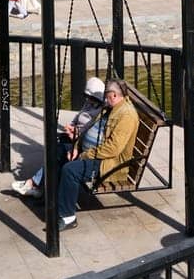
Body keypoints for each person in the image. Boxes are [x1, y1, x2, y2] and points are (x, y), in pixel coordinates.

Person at [56, 79, 140, 228]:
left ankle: (68, 217)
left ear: (114, 95)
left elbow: (113, 149)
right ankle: (51, 194)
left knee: (70, 170)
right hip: (91, 151)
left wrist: (84, 155)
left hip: (106, 162)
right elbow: (88, 127)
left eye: (106, 95)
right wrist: (77, 145)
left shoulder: (126, 115)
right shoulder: (110, 107)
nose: (104, 99)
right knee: (58, 150)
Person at [12, 77, 106, 197]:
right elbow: (78, 117)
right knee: (56, 149)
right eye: (86, 96)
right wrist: (71, 126)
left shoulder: (101, 110)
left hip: (83, 142)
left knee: (58, 152)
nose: (88, 100)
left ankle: (35, 184)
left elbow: (92, 129)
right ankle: (38, 185)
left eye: (91, 97)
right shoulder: (89, 103)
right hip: (76, 137)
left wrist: (77, 133)